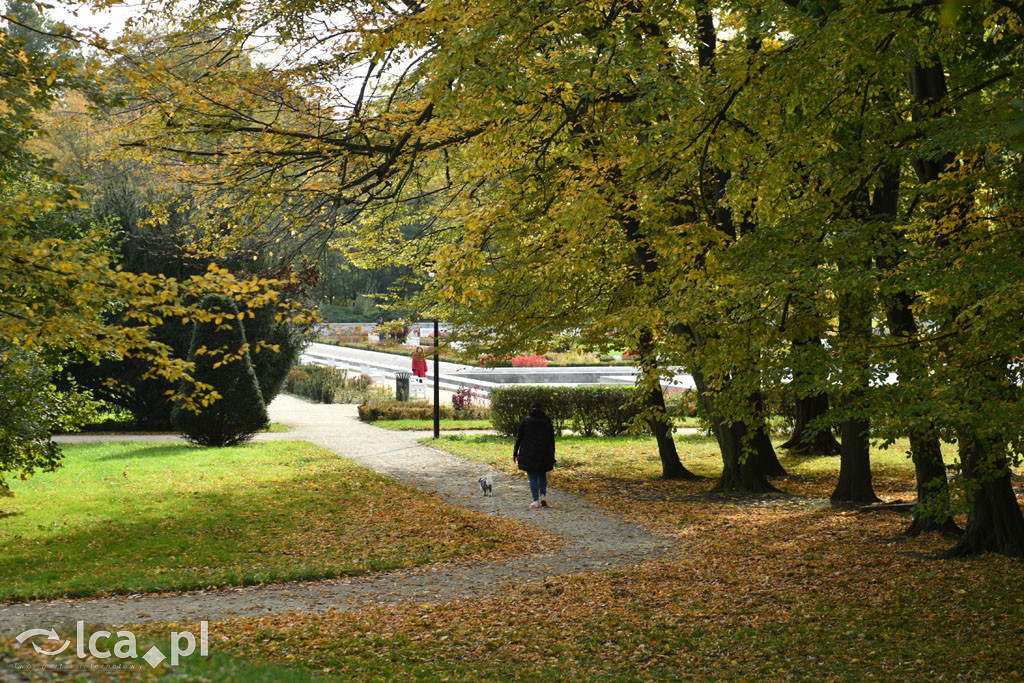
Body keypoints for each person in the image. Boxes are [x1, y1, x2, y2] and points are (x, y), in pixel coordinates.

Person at [513, 402, 556, 509]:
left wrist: (515, 452)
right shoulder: (548, 422)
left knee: (533, 477)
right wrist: (552, 454)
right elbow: (552, 440)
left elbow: (519, 438)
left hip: (529, 453)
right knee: (542, 475)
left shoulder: (525, 422)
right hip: (544, 453)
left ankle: (535, 501)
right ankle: (543, 496)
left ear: (531, 409)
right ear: (542, 409)